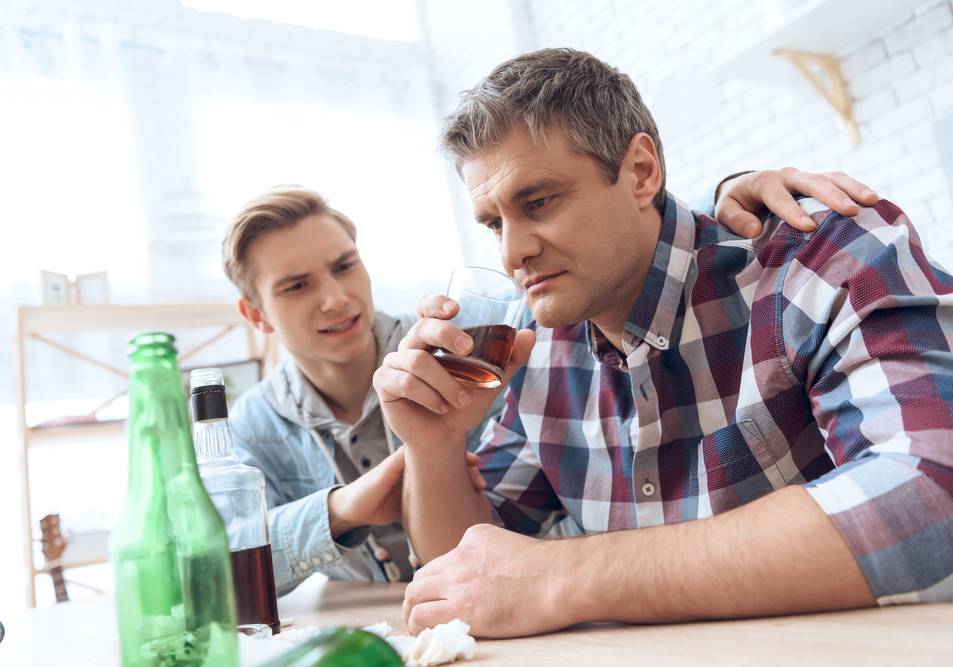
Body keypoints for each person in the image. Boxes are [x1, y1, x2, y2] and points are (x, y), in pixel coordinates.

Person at [372, 48, 953, 638]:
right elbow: (465, 580)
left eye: (539, 202)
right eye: (494, 223)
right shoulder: (533, 345)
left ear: (642, 172)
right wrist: (436, 446)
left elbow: (933, 494)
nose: (511, 254)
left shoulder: (819, 257)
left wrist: (565, 576)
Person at [223, 173, 877, 596]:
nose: (337, 298)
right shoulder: (253, 424)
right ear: (256, 314)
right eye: (297, 285)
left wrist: (721, 192)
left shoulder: (475, 342)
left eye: (344, 265)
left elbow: (633, 243)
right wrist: (347, 505)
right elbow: (216, 570)